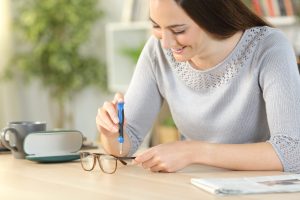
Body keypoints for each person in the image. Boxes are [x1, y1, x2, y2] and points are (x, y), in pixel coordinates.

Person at [96, 0, 300, 173]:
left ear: (212, 17)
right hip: (193, 184)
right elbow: (124, 146)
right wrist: (112, 133)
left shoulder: (269, 47)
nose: (166, 43)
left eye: (178, 30)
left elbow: (292, 152)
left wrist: (193, 151)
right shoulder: (158, 51)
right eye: (157, 26)